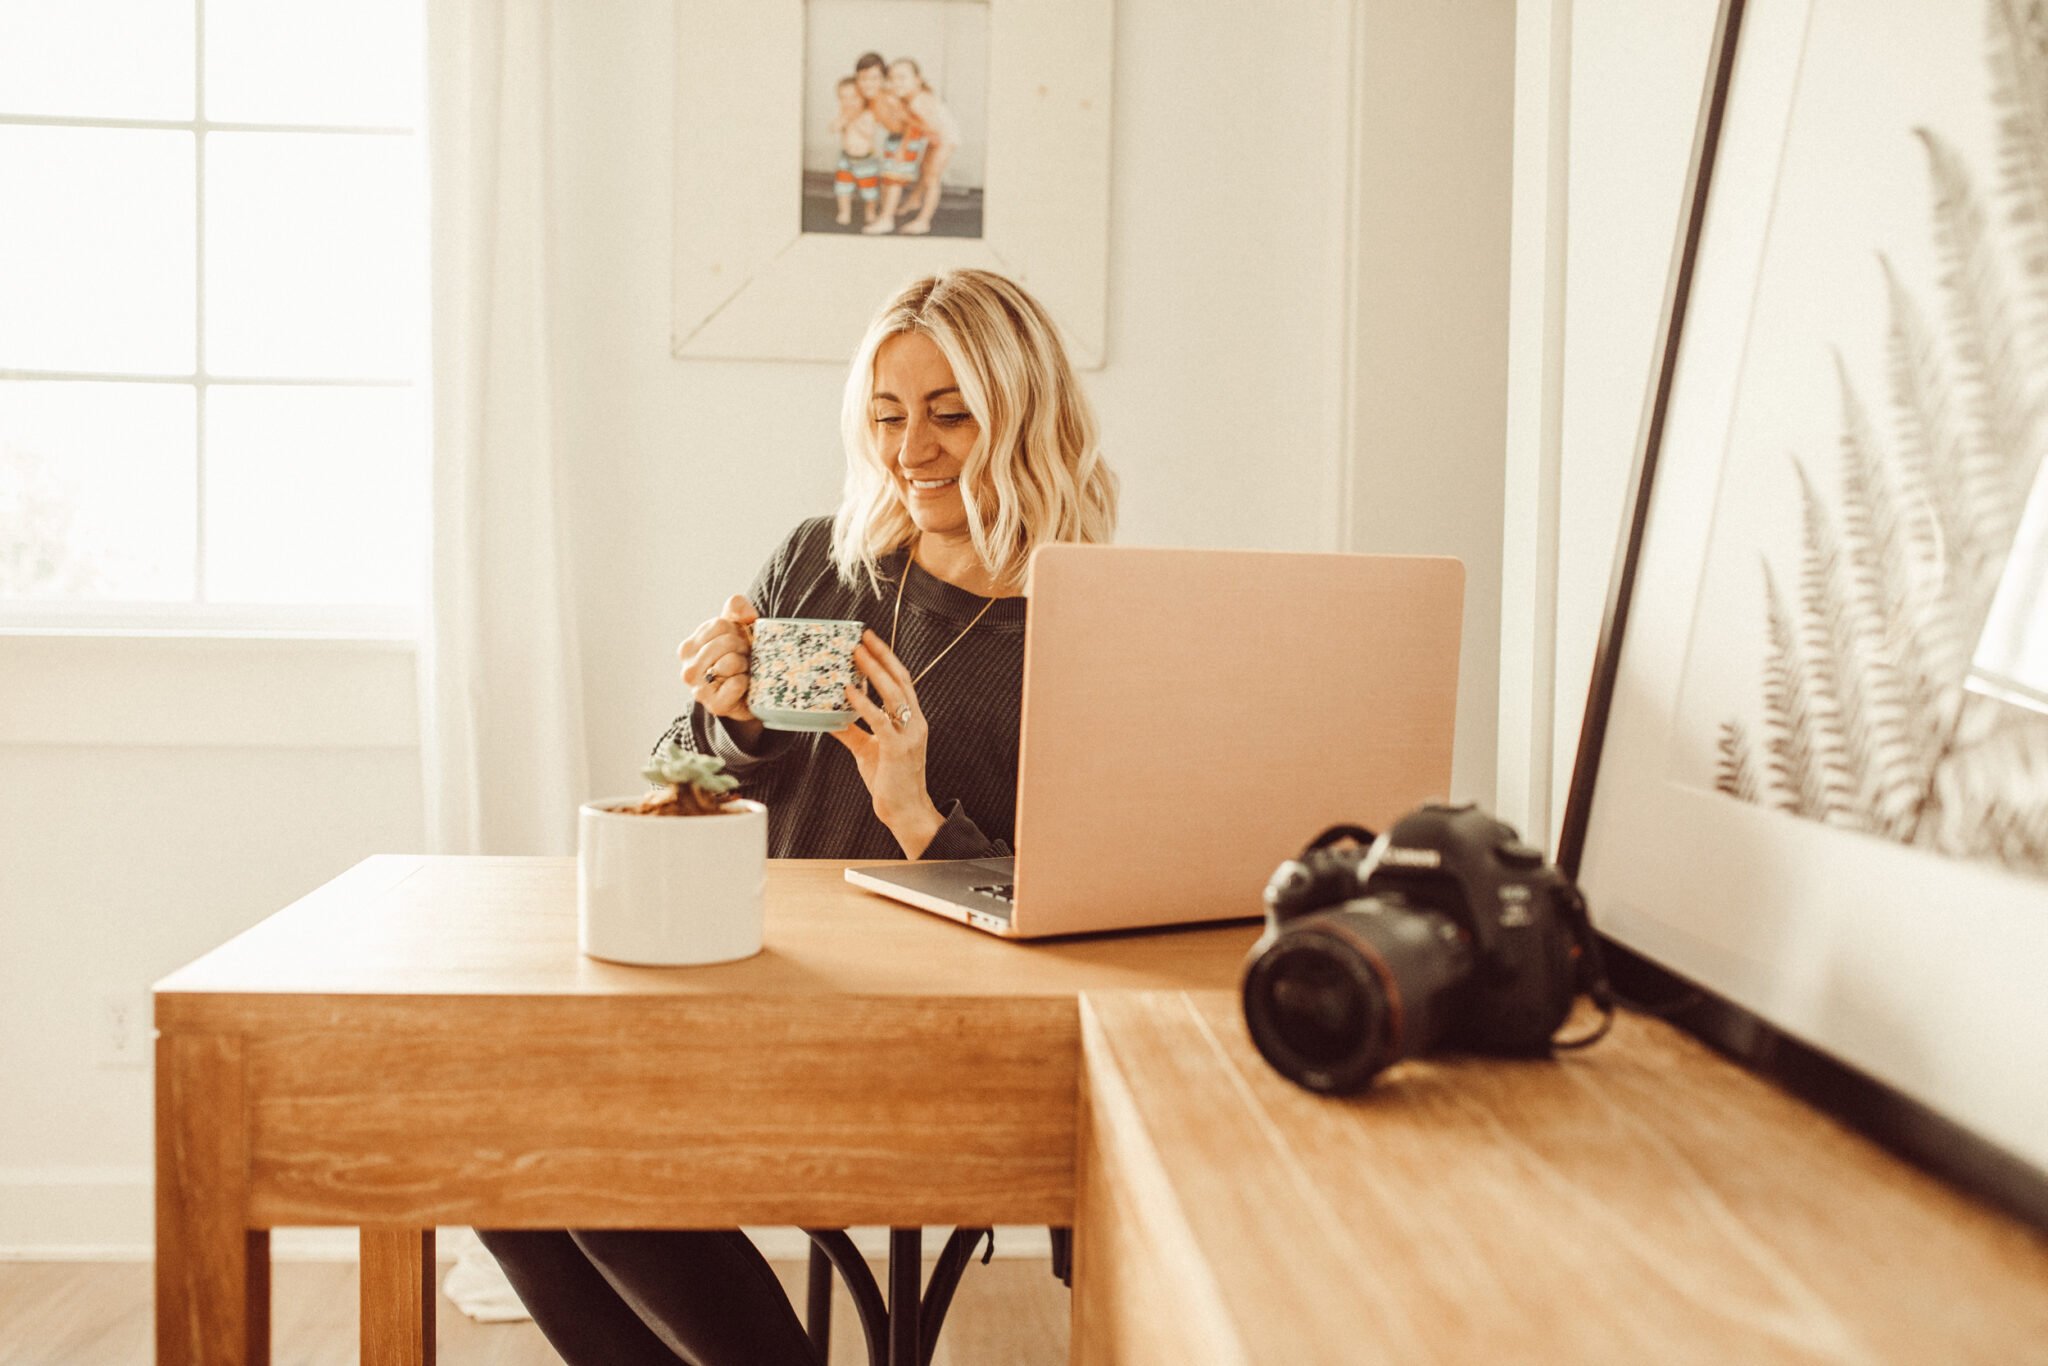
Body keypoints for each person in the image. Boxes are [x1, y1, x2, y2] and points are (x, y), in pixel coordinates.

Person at [476, 268, 1118, 1365]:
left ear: (1022, 413)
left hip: (948, 1036)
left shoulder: (1087, 622)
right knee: (498, 1143)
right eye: (885, 415)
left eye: (948, 414)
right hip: (764, 985)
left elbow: (1083, 907)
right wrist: (730, 723)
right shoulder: (824, 563)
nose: (908, 448)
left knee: (589, 1149)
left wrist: (914, 812)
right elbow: (672, 778)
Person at [886, 57, 962, 236]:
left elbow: (931, 128)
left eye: (902, 78)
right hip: (936, 137)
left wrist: (905, 142)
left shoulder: (919, 101)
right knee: (924, 169)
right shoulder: (911, 99)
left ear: (918, 80)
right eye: (892, 78)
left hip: (945, 138)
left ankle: (924, 221)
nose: (896, 83)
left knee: (931, 178)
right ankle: (914, 201)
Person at [829, 75, 881, 228]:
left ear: (863, 98)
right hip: (846, 159)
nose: (848, 102)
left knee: (869, 190)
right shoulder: (843, 114)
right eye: (843, 98)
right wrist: (843, 119)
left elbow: (869, 132)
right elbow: (832, 128)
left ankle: (870, 211)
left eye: (853, 97)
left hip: (866, 160)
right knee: (842, 188)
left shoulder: (867, 114)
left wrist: (855, 119)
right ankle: (844, 212)